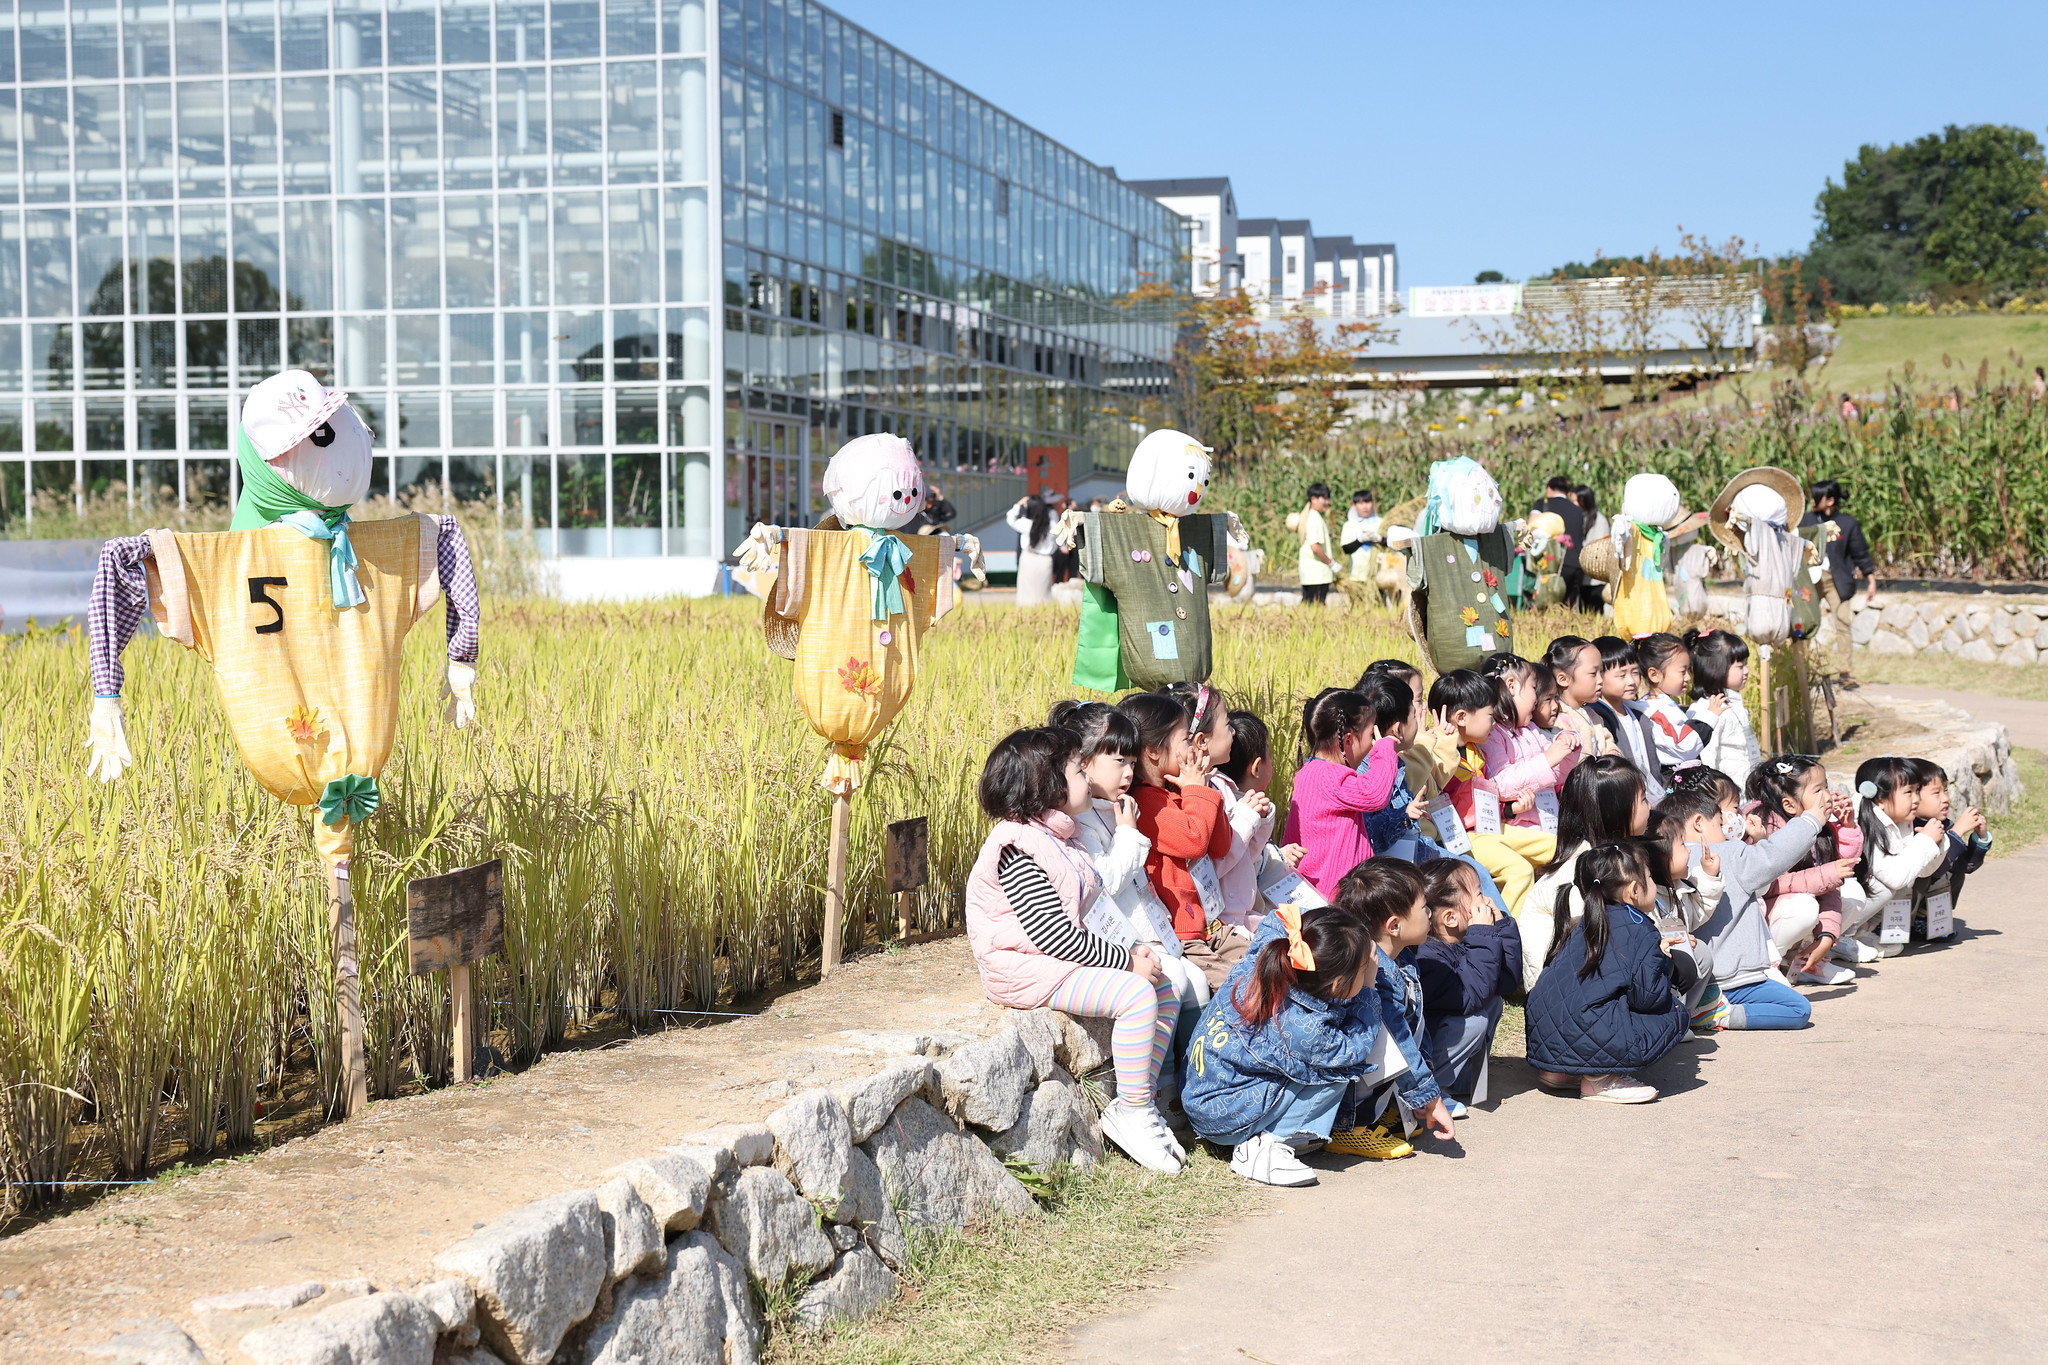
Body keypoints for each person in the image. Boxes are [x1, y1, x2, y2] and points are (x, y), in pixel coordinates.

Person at [963, 726, 1184, 1172]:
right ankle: (1135, 1110)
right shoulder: (1017, 845)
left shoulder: (1059, 838)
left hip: (1055, 961)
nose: (1087, 778)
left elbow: (1087, 916)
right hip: (1025, 967)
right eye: (1078, 770)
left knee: (1166, 985)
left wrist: (1136, 951)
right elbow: (1054, 937)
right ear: (1047, 785)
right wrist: (1126, 962)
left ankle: (1139, 1101)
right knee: (1137, 993)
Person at [1180, 905, 1380, 1187]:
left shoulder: (1264, 959)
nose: (1367, 971)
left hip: (1201, 1090)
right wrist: (1369, 990)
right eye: (1361, 971)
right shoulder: (1305, 1028)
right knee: (1337, 1074)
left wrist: (1327, 930)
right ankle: (1267, 1147)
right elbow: (1353, 1047)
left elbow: (1279, 917)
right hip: (1224, 1119)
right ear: (1337, 986)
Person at [1050, 700, 1208, 1007]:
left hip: (1147, 930)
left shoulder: (1117, 807)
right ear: (1083, 762)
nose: (1128, 774)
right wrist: (1127, 832)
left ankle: (1190, 1056)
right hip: (1116, 939)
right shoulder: (1080, 822)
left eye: (1132, 764)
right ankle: (1165, 1058)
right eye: (1120, 762)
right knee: (1174, 979)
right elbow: (1104, 883)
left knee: (1198, 983)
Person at [1526, 841, 1697, 1103]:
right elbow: (1648, 997)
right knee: (1675, 1013)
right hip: (1587, 1031)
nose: (1653, 882)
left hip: (1544, 1038)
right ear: (1634, 890)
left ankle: (1561, 1072)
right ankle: (1601, 1079)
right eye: (1650, 877)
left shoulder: (1587, 922)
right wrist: (1662, 962)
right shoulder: (1640, 929)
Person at [1692, 761, 1830, 1030]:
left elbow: (1760, 882)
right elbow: (1771, 860)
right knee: (1798, 1009)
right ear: (1701, 819)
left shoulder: (1677, 854)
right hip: (1733, 979)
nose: (1736, 817)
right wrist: (1811, 820)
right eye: (1727, 814)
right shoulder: (1728, 853)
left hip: (1708, 976)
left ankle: (1712, 1009)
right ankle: (1718, 1015)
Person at [1333, 859, 1455, 1156]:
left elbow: (1416, 1028)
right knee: (1383, 1041)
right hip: (1348, 1083)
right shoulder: (1376, 974)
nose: (1430, 913)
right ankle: (1349, 1127)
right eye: (1424, 906)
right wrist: (1431, 1098)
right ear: (1394, 925)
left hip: (1380, 1072)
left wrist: (1425, 1090)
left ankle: (1384, 1109)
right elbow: (1397, 1042)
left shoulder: (1402, 958)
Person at [1429, 668, 1558, 918]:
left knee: (1554, 847)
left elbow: (1482, 799)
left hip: (1490, 828)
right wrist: (1444, 746)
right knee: (1518, 871)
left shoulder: (1476, 751)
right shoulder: (1437, 755)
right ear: (1462, 717)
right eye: (1490, 715)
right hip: (1463, 838)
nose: (1494, 722)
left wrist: (1510, 810)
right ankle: (1509, 932)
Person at [1121, 692, 1235, 969]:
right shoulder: (1147, 804)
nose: (1193, 749)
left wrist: (1201, 787)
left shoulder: (1176, 792)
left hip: (1207, 924)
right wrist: (1196, 789)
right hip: (1182, 935)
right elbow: (1194, 841)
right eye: (1185, 740)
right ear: (1154, 752)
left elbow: (1220, 845)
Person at [1520, 756, 1650, 989]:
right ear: (1615, 812)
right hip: (1569, 993)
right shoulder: (1581, 872)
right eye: (1643, 799)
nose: (1649, 806)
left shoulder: (1611, 858)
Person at [1159, 682, 1258, 989]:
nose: (1233, 733)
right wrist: (1247, 816)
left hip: (1219, 921)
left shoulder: (1215, 784)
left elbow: (1222, 844)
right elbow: (1205, 847)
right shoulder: (1165, 800)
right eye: (1227, 725)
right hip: (1203, 926)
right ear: (1200, 741)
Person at [1746, 756, 1861, 987]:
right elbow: (1770, 885)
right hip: (1759, 915)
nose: (1828, 795)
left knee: (1854, 893)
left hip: (1788, 903)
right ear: (1789, 804)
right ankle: (1763, 966)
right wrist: (1826, 875)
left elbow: (1828, 885)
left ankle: (1806, 963)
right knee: (1803, 907)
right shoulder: (1765, 826)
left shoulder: (1820, 827)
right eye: (1819, 790)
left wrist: (1827, 936)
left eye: (1826, 786)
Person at [1417, 859, 1522, 1109]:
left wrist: (1501, 927)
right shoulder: (1429, 957)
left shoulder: (1467, 939)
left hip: (1447, 1036)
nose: (1485, 900)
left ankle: (1465, 1080)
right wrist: (1483, 936)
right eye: (1477, 894)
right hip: (1427, 1049)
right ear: (1450, 918)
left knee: (1494, 1002)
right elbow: (1470, 996)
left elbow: (1506, 983)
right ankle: (1431, 1092)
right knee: (1474, 1022)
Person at [1280, 688, 1400, 900]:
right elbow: (1375, 794)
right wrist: (1385, 748)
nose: (1373, 743)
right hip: (1336, 894)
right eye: (1371, 735)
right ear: (1347, 741)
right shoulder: (1330, 777)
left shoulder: (1310, 771)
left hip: (1321, 888)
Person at [1851, 755, 1949, 959]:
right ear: (1879, 798)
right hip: (1835, 902)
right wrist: (1925, 842)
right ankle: (1840, 936)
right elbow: (1896, 876)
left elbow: (1921, 872)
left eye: (1917, 791)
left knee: (1903, 879)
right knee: (1883, 886)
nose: (1916, 799)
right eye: (1908, 792)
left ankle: (1859, 933)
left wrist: (1937, 843)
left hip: (1852, 904)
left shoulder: (1901, 820)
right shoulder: (1862, 822)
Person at [1480, 652, 1581, 830]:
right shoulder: (1492, 733)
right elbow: (1500, 784)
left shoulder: (1531, 730)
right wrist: (1547, 760)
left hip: (1549, 823)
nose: (1536, 696)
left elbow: (1559, 774)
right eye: (1533, 687)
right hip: (1520, 828)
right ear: (1511, 685)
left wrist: (1567, 746)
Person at [1800, 479, 1879, 688]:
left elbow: (1860, 552)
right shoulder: (1804, 521)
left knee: (1843, 623)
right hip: (1810, 579)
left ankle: (1845, 673)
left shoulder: (1848, 524)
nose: (1813, 500)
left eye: (1818, 497)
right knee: (1804, 624)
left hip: (1838, 580)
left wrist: (1870, 579)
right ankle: (1802, 670)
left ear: (1830, 500)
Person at [1904, 757, 1990, 926]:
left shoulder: (1941, 824)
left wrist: (1981, 838)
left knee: (1955, 871)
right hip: (1899, 902)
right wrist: (1956, 833)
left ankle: (1928, 918)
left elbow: (1965, 866)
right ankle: (1907, 921)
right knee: (1928, 873)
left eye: (1946, 790)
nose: (1945, 798)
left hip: (1919, 900)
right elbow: (1932, 870)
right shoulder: (1907, 828)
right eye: (1936, 793)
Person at [1586, 635, 1665, 804]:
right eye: (1621, 675)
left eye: (1635, 673)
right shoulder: (1597, 717)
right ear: (1599, 676)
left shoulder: (1639, 715)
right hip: (1623, 802)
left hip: (1651, 798)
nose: (1631, 681)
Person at [1684, 628, 1759, 789]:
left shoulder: (1733, 703)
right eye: (1740, 666)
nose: (1746, 671)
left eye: (1746, 665)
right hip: (1726, 793)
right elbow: (1707, 758)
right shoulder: (1708, 709)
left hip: (1746, 788)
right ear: (1716, 669)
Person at [1630, 633, 1707, 787]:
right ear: (1654, 675)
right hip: (1672, 783)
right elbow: (1684, 746)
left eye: (1689, 671)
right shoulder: (1655, 711)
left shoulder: (1657, 705)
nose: (1688, 677)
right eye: (1682, 671)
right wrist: (1709, 719)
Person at [1546, 635, 1618, 760]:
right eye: (1593, 673)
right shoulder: (1557, 720)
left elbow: (1607, 741)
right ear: (1563, 679)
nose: (1600, 680)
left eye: (1601, 672)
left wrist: (1613, 754)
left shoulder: (1592, 714)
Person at [1539, 474, 1588, 610]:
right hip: (1577, 565)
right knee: (1569, 610)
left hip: (1554, 564)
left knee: (1547, 609)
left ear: (1549, 489)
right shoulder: (1578, 511)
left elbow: (1532, 525)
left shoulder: (1543, 504)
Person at [1004, 493, 1058, 606]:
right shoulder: (1051, 524)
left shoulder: (1025, 523)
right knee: (1043, 593)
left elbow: (1010, 517)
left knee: (1025, 593)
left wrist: (1019, 504)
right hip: (1045, 560)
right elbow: (1057, 538)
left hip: (1028, 559)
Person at [1297, 481, 1337, 606]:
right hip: (1317, 574)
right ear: (1314, 499)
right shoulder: (1314, 518)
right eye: (1324, 498)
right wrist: (1330, 562)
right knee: (1316, 606)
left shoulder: (1310, 516)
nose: (1327, 502)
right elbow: (1315, 547)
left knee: (1309, 605)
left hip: (1311, 573)